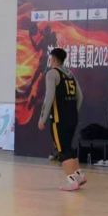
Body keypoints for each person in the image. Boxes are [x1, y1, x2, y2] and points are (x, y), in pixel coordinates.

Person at [37, 48, 86, 191]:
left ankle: (71, 180)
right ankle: (79, 175)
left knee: (62, 150)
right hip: (72, 117)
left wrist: (42, 118)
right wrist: (72, 112)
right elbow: (80, 96)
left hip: (59, 119)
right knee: (68, 147)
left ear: (53, 58)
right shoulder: (70, 74)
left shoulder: (52, 73)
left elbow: (49, 97)